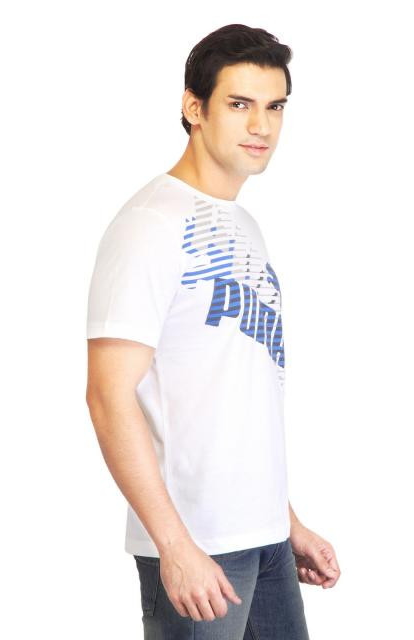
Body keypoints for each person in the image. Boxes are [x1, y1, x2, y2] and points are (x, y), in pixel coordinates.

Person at [85, 22, 340, 639]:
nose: (262, 126)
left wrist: (286, 521)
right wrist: (174, 547)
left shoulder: (244, 225)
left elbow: (237, 395)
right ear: (193, 108)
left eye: (275, 107)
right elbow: (107, 395)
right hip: (197, 546)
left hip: (267, 541)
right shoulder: (149, 224)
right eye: (239, 104)